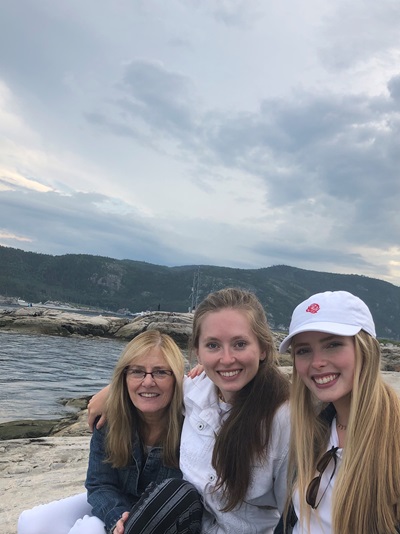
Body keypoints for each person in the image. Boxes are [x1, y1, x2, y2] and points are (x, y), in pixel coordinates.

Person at [89, 287, 291, 533]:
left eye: (239, 344)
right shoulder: (194, 392)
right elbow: (156, 383)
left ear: (263, 348)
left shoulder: (284, 420)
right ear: (198, 352)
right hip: (191, 527)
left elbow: (294, 515)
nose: (226, 359)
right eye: (213, 345)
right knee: (175, 492)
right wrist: (111, 393)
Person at [18, 330, 202, 534]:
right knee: (32, 522)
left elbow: (225, 387)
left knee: (88, 530)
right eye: (137, 371)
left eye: (160, 372)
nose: (148, 382)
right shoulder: (109, 420)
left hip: (161, 513)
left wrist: (205, 371)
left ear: (175, 378)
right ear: (124, 377)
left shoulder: (195, 422)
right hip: (118, 502)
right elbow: (99, 483)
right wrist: (117, 516)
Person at [274, 290, 400, 534]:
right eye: (303, 350)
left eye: (332, 344)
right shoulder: (314, 429)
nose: (317, 362)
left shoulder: (393, 442)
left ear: (366, 349)